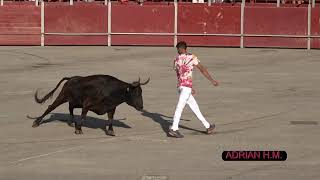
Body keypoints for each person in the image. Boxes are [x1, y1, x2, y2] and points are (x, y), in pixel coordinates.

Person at [168, 41, 219, 138]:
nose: (177, 51)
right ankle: (174, 129)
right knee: (180, 107)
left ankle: (208, 126)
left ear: (181, 49)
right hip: (186, 87)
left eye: (178, 49)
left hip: (181, 87)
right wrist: (212, 80)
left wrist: (188, 87)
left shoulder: (176, 59)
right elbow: (202, 69)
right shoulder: (192, 57)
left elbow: (179, 75)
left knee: (195, 107)